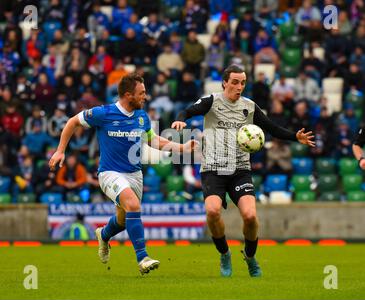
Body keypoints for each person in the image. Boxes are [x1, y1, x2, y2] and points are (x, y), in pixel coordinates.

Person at [171, 65, 315, 278]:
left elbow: (272, 128)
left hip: (240, 170)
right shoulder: (212, 101)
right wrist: (181, 118)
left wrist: (296, 137)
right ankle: (224, 254)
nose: (239, 87)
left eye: (243, 83)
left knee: (249, 216)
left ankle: (250, 257)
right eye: (235, 82)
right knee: (212, 211)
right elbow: (188, 111)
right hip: (213, 169)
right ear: (224, 83)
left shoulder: (249, 106)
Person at [49, 73, 197, 275]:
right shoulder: (104, 113)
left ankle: (104, 234)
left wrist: (182, 147)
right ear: (128, 95)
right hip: (109, 173)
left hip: (135, 175)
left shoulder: (142, 116)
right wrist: (60, 150)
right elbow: (73, 122)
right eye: (142, 93)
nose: (145, 96)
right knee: (133, 205)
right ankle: (142, 257)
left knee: (122, 220)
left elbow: (153, 141)